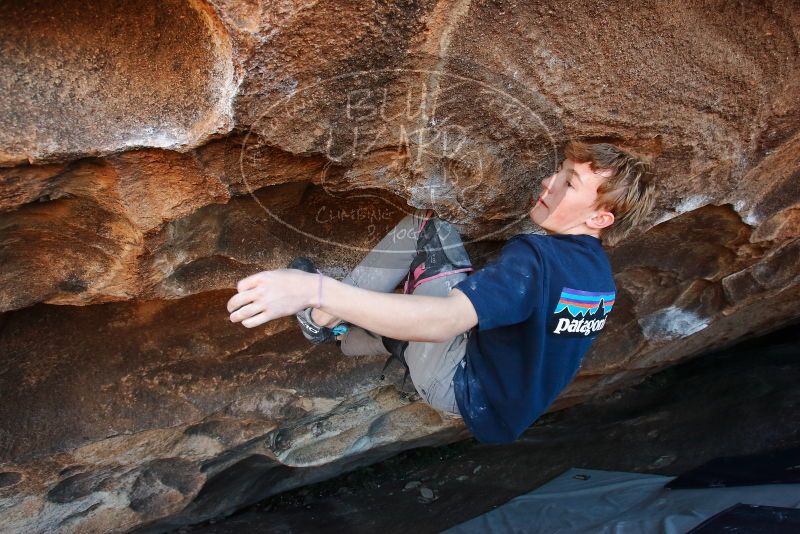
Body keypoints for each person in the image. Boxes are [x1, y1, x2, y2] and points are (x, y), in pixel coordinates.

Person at [227, 141, 657, 443]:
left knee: (430, 230)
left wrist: (315, 288)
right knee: (459, 300)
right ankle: (351, 338)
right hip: (496, 406)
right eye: (558, 173)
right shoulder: (598, 278)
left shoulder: (537, 257)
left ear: (601, 218)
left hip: (460, 382)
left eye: (569, 184)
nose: (548, 183)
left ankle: (319, 318)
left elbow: (443, 323)